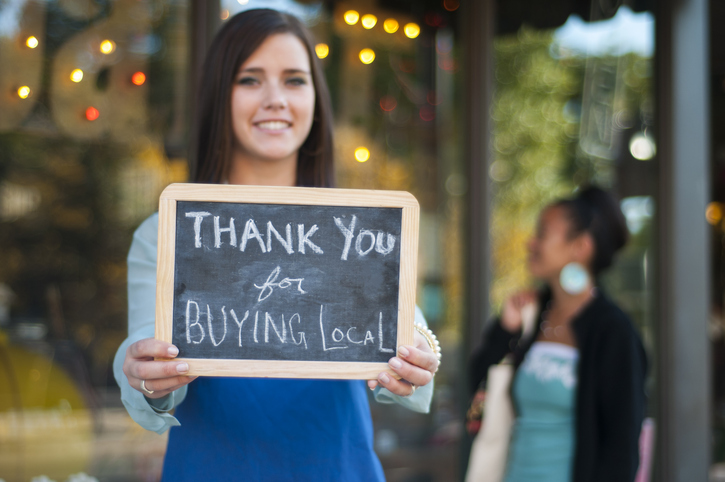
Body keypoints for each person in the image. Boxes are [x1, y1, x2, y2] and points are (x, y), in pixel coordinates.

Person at [113, 9, 440, 481]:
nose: (274, 100)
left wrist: (420, 355)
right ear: (219, 96)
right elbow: (149, 374)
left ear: (315, 98)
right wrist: (147, 376)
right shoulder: (166, 232)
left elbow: (406, 338)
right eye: (250, 80)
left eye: (294, 80)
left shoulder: (357, 229)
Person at [468, 186, 647, 482]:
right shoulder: (531, 317)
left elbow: (621, 448)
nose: (531, 242)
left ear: (580, 247)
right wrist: (504, 330)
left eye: (543, 233)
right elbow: (478, 388)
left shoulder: (613, 331)